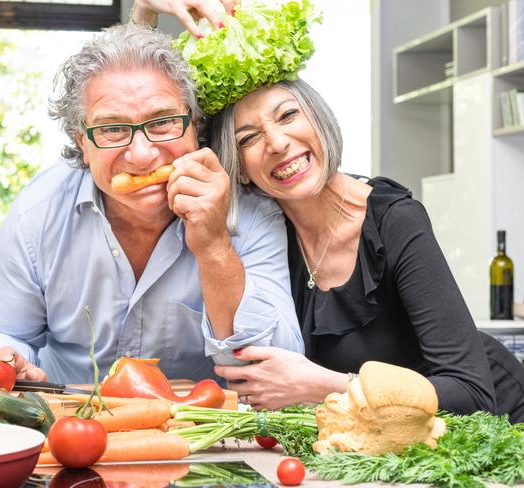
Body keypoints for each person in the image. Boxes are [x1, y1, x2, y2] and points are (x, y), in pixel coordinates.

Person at [133, 0, 524, 423]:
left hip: (487, 432)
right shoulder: (263, 232)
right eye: (249, 139)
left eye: (288, 115)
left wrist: (322, 384)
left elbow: (470, 392)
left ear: (318, 119)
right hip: (378, 446)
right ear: (238, 171)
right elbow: (155, 143)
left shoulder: (394, 219)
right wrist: (144, 16)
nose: (278, 143)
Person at [0, 23, 303, 385]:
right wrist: (6, 359)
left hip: (199, 434)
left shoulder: (250, 211)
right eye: (112, 129)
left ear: (194, 125)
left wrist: (215, 246)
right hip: (70, 425)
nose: (141, 155)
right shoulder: (39, 211)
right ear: (82, 143)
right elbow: (2, 330)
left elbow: (277, 368)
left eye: (164, 122)